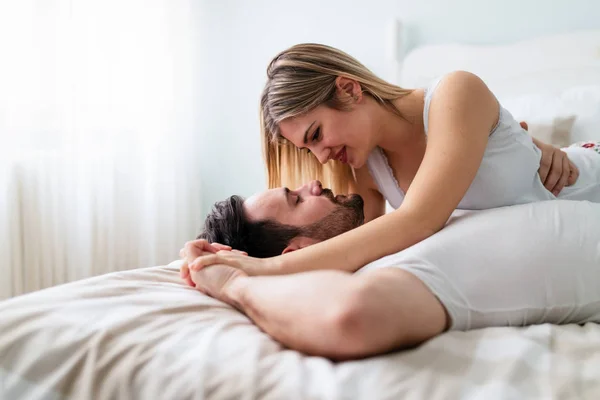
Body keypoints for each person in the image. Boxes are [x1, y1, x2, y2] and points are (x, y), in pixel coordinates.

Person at [190, 43, 600, 276]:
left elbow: (418, 219)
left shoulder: (455, 93)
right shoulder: (365, 168)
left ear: (349, 89)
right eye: (306, 148)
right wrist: (222, 254)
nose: (320, 156)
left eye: (316, 134)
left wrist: (259, 274)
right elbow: (355, 254)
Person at [180, 181, 600, 360]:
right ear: (296, 251)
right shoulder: (389, 270)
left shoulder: (401, 222)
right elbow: (351, 316)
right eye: (295, 199)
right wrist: (234, 281)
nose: (313, 183)